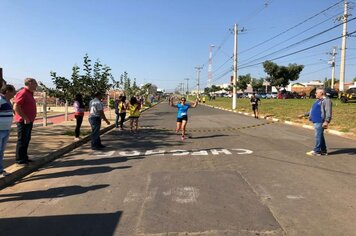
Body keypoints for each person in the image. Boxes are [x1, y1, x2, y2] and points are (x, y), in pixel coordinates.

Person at [13, 78, 38, 165]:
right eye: (35, 83)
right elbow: (16, 107)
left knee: (27, 139)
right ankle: (20, 160)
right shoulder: (23, 92)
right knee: (22, 140)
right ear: (30, 83)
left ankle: (24, 157)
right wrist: (24, 117)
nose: (36, 85)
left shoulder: (30, 93)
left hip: (29, 121)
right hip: (23, 121)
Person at [306, 88, 332, 156]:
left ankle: (317, 151)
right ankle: (323, 151)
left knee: (318, 136)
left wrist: (326, 121)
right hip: (316, 121)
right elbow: (313, 110)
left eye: (316, 93)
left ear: (321, 93)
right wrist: (304, 114)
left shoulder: (327, 100)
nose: (315, 94)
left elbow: (328, 112)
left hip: (320, 121)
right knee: (320, 136)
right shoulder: (318, 100)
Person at [0, 84, 16, 176]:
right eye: (13, 91)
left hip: (6, 129)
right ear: (7, 92)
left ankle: (1, 170)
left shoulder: (7, 101)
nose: (15, 93)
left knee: (1, 150)